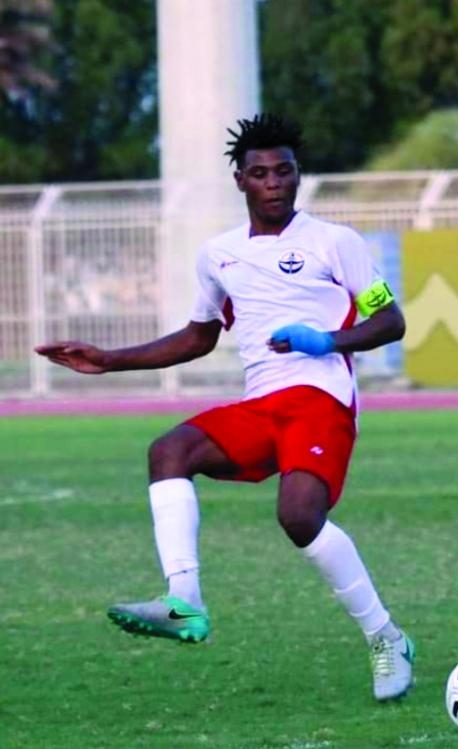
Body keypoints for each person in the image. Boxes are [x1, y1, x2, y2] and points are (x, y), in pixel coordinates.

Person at [34, 114, 415, 702]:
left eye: (284, 171)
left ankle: (386, 637)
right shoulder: (218, 255)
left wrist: (326, 340)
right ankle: (184, 600)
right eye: (260, 173)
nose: (274, 183)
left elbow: (390, 321)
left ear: (297, 175)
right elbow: (197, 337)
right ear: (240, 181)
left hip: (320, 400)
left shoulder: (336, 242)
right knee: (169, 451)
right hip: (260, 405)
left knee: (299, 517)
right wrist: (108, 360)